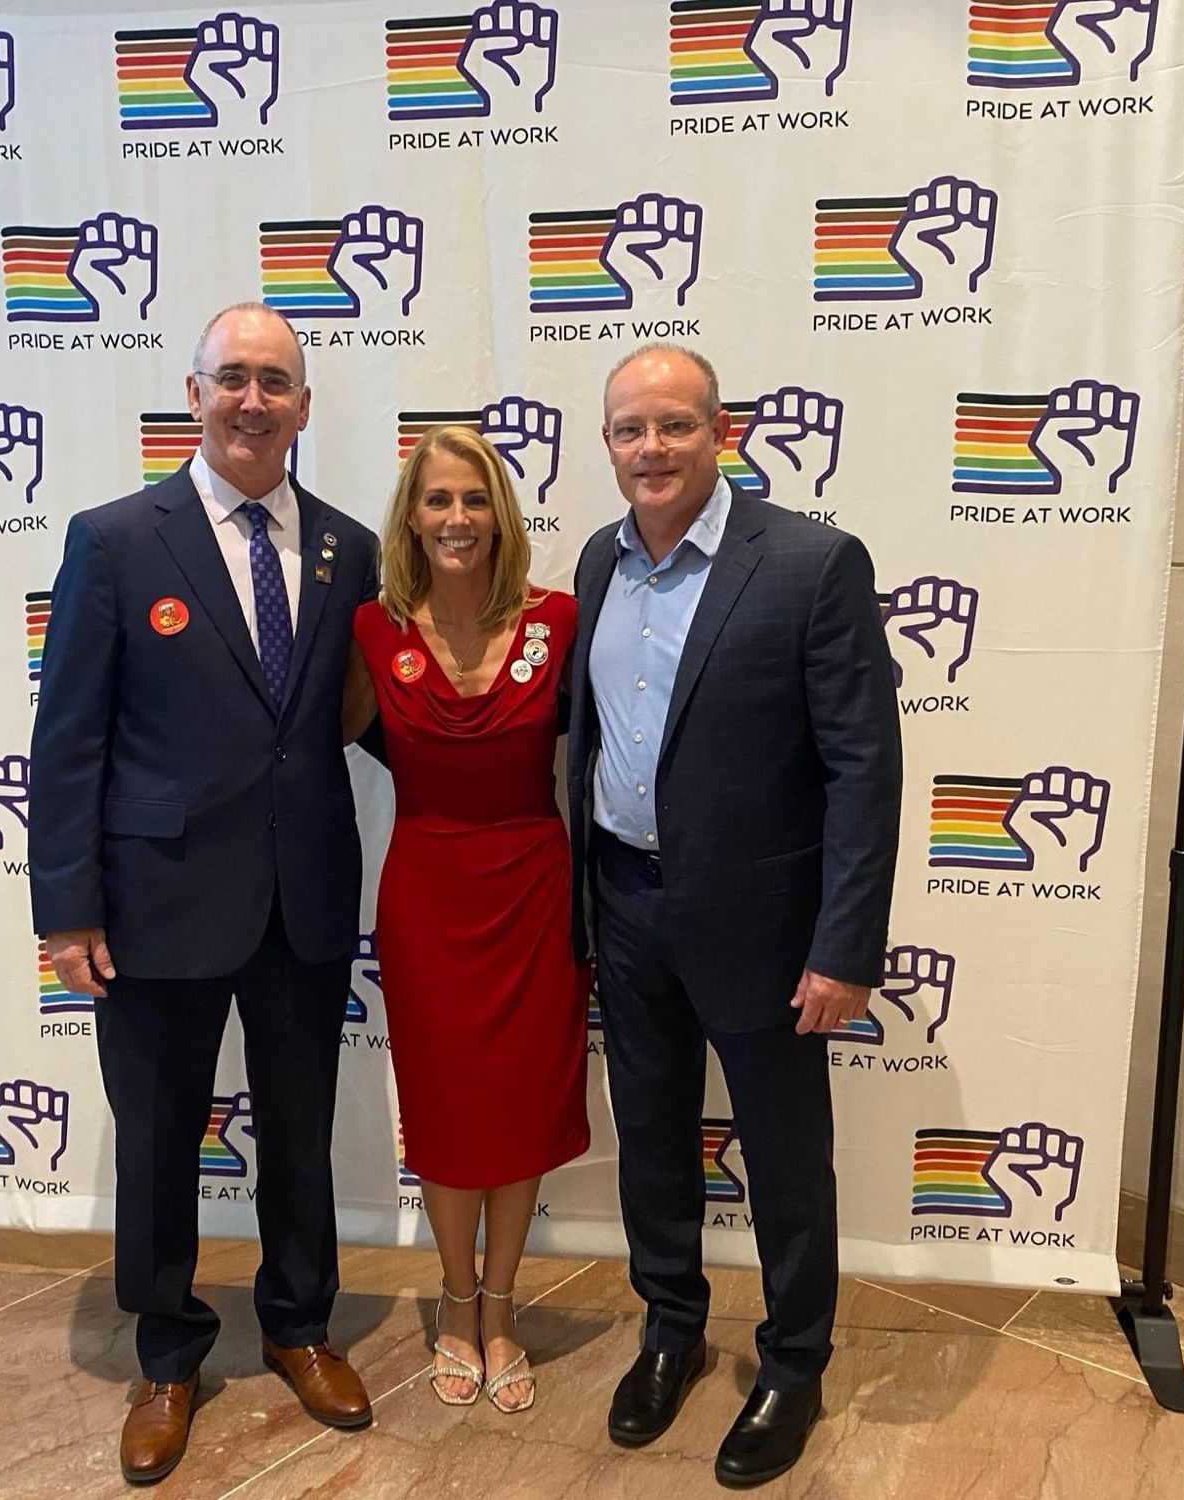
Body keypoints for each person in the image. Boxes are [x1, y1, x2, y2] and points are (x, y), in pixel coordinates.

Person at [31, 303, 380, 1487]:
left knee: (296, 1133)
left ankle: (296, 1326)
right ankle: (169, 1354)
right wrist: (66, 908)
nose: (251, 401)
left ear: (303, 406)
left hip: (304, 896)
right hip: (155, 900)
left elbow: (367, 720)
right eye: (230, 378)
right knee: (160, 1139)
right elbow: (68, 737)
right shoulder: (116, 540)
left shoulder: (345, 548)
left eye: (274, 382)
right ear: (192, 394)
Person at [567, 345, 902, 1488]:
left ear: (721, 432)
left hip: (764, 926)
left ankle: (793, 1362)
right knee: (651, 1140)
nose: (648, 449)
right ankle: (669, 1330)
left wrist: (843, 944)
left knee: (785, 1157)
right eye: (626, 430)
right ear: (606, 445)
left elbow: (864, 768)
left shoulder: (810, 564)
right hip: (624, 900)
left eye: (671, 426)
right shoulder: (596, 565)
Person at [342, 425, 590, 1414]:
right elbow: (306, 743)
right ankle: (452, 1304)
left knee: (519, 1109)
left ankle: (501, 1307)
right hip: (426, 894)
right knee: (447, 1113)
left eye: (474, 499)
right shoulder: (369, 630)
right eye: (437, 499)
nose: (456, 519)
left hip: (533, 888)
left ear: (501, 516)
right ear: (411, 516)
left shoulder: (562, 621)